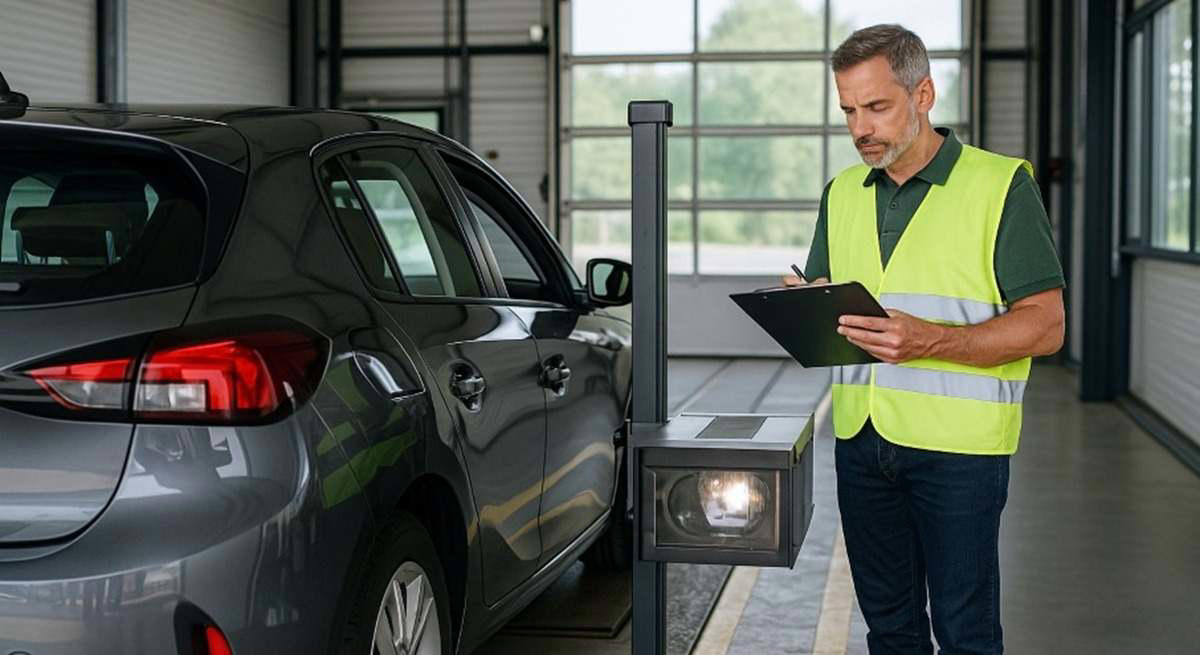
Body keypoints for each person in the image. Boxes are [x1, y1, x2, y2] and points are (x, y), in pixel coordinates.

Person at [783, 24, 1066, 655]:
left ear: (924, 95)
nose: (861, 129)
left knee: (965, 634)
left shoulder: (999, 186)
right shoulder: (841, 194)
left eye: (876, 107)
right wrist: (805, 307)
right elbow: (834, 306)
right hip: (862, 444)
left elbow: (1046, 325)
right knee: (890, 631)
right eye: (849, 111)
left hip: (960, 452)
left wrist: (932, 341)